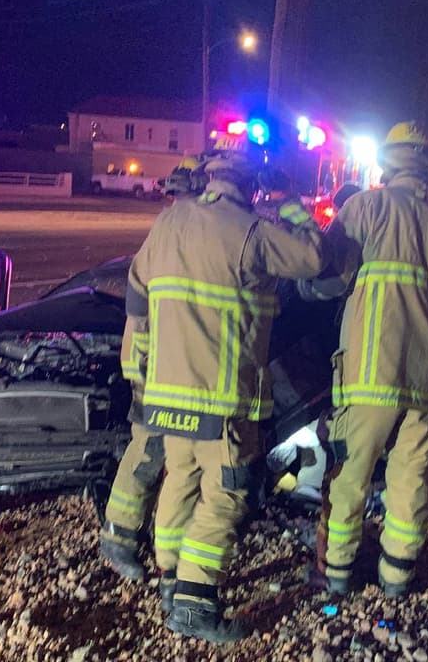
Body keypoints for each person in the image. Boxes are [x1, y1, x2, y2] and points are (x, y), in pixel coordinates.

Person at [130, 143, 326, 643]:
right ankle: (195, 606)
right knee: (227, 495)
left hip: (166, 393)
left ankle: (172, 583)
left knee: (181, 481)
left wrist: (142, 365)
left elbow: (137, 294)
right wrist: (287, 200)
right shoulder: (252, 232)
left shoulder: (168, 225)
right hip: (222, 401)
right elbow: (314, 256)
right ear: (250, 184)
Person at [300, 122, 428, 599]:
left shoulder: (367, 207)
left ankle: (334, 575)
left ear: (387, 161)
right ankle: (397, 575)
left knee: (350, 473)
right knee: (410, 476)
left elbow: (325, 277)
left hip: (372, 373)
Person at [98, 155, 209, 580]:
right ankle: (118, 538)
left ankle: (130, 535)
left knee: (155, 449)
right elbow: (144, 304)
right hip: (155, 364)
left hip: (153, 359)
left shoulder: (168, 226)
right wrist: (144, 362)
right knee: (150, 449)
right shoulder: (180, 230)